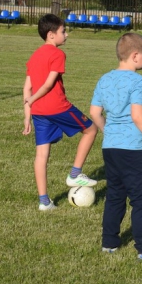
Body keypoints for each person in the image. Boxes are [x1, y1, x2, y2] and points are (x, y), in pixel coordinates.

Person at [89, 33, 142, 262]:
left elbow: (95, 113)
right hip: (134, 148)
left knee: (114, 195)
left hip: (110, 148)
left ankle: (109, 243)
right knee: (140, 200)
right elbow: (137, 115)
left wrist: (110, 132)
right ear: (135, 56)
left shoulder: (104, 79)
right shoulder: (138, 81)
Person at [22, 14, 98, 211]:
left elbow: (26, 88)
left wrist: (27, 115)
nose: (67, 35)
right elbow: (47, 85)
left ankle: (44, 202)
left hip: (38, 112)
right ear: (51, 35)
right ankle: (75, 173)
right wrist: (32, 100)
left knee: (41, 155)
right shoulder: (57, 55)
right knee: (91, 130)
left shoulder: (34, 55)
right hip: (57, 107)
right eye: (63, 31)